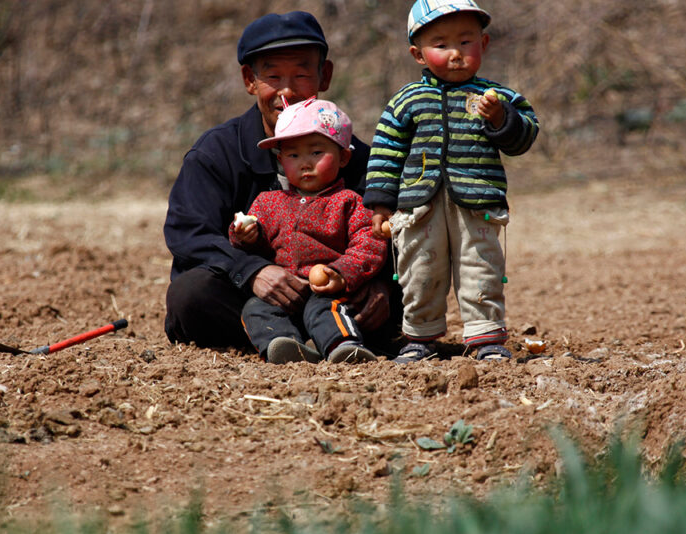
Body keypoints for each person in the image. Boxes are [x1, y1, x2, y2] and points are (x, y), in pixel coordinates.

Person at [163, 11, 398, 353]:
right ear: (250, 80)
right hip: (250, 299)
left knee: (397, 294)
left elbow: (392, 231)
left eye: (302, 74)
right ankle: (286, 341)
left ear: (325, 75)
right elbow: (189, 233)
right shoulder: (216, 154)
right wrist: (253, 271)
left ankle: (332, 337)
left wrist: (380, 284)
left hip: (338, 295)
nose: (287, 90)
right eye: (272, 75)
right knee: (191, 294)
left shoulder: (360, 158)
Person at [365, 0, 538, 363]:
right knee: (419, 270)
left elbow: (523, 138)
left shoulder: (499, 98)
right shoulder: (406, 101)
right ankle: (420, 337)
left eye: (465, 42)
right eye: (441, 45)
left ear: (484, 44)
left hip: (477, 206)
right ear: (418, 54)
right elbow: (385, 153)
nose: (456, 53)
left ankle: (486, 338)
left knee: (481, 267)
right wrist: (381, 204)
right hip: (419, 208)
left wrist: (501, 119)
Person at [230, 98, 385, 364]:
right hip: (284, 290)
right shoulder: (267, 203)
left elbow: (368, 245)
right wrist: (244, 236)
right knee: (255, 309)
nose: (305, 163)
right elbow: (256, 248)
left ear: (343, 156)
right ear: (280, 160)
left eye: (316, 153)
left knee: (325, 308)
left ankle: (344, 347)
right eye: (293, 155)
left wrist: (340, 273)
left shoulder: (348, 202)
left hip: (327, 289)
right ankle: (285, 346)